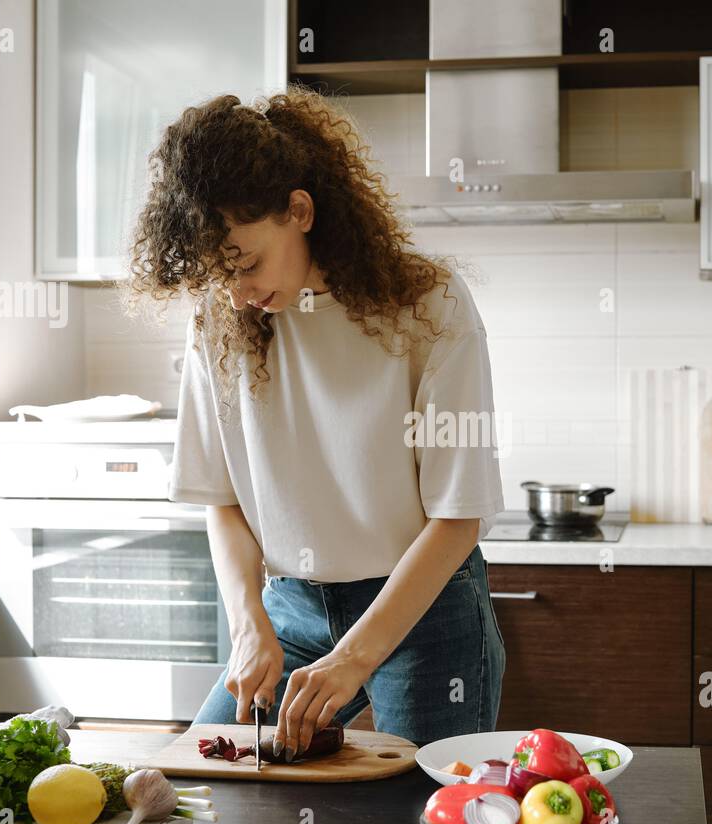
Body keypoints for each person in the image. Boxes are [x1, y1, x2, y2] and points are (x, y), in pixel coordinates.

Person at [122, 86, 506, 754]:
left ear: (299, 210)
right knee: (217, 789)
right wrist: (248, 625)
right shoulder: (219, 316)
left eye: (245, 264)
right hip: (291, 610)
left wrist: (357, 655)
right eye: (217, 274)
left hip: (424, 610)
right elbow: (222, 500)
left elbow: (457, 518)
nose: (237, 292)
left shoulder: (429, 305)